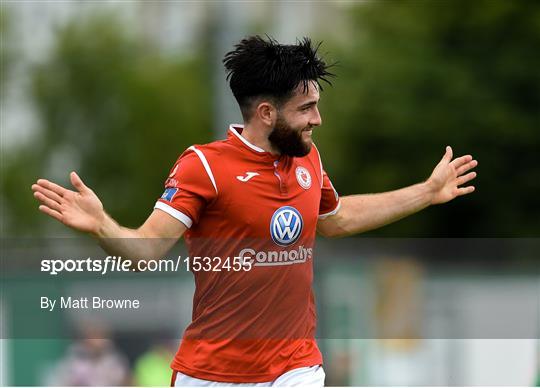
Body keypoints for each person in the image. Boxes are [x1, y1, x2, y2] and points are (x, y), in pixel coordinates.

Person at [31, 35, 477, 387]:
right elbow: (147, 248)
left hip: (296, 366)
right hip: (212, 373)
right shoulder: (203, 166)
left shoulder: (308, 158)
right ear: (266, 113)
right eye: (306, 108)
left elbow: (336, 220)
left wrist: (426, 191)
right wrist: (101, 224)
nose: (317, 119)